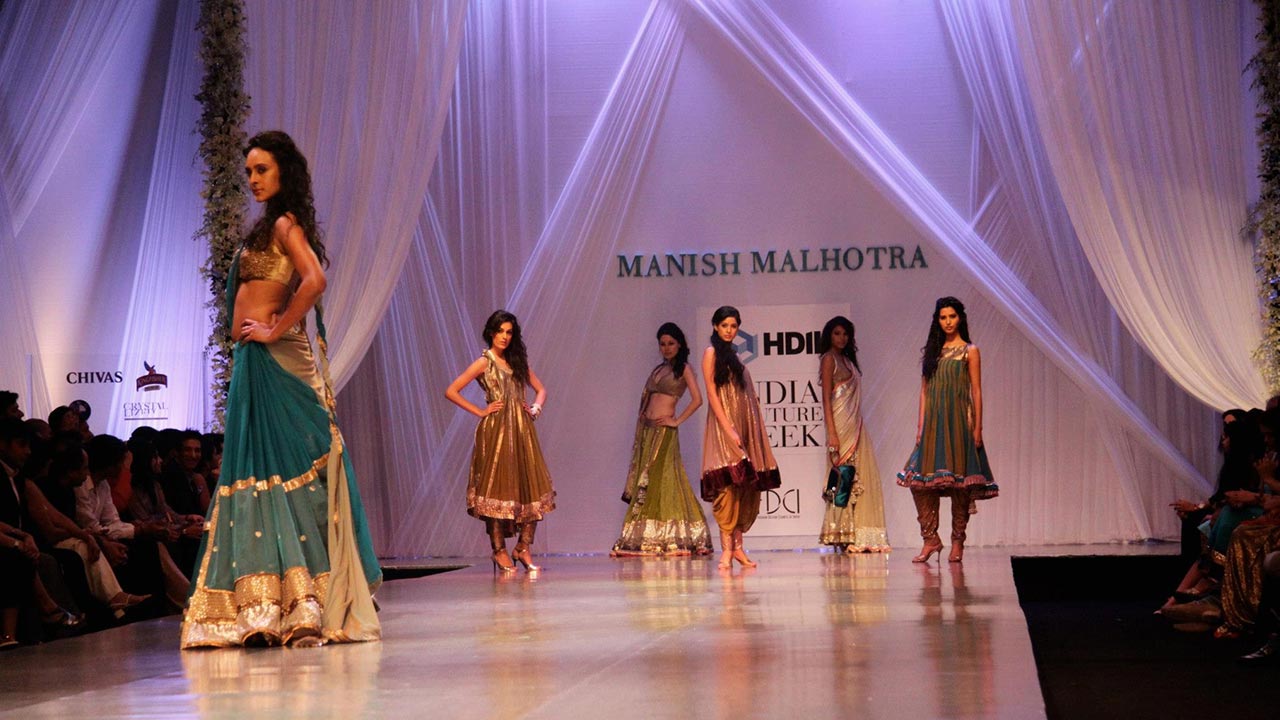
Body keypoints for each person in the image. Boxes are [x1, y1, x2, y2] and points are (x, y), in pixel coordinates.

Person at [182, 131, 381, 649]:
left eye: (262, 169)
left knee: (290, 472)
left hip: (277, 361)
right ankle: (265, 603)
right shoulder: (267, 226)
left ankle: (307, 599)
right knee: (258, 474)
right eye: (249, 171)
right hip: (253, 362)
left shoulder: (285, 225)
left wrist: (274, 329)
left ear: (283, 172)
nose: (252, 179)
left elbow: (314, 280)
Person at [446, 310, 555, 573]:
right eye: (500, 331)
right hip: (496, 432)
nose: (505, 337)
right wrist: (480, 411)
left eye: (509, 332)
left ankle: (523, 546)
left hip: (522, 432)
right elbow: (451, 390)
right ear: (491, 333)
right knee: (497, 489)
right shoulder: (485, 362)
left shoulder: (517, 362)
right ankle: (499, 550)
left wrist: (535, 408)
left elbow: (541, 389)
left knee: (530, 486)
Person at [897, 297, 997, 563]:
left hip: (960, 423)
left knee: (960, 485)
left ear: (960, 317)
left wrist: (978, 428)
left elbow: (976, 391)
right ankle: (930, 539)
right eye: (943, 317)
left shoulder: (970, 350)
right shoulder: (933, 352)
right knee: (919, 483)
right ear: (937, 320)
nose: (948, 322)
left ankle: (957, 541)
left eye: (952, 316)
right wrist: (920, 426)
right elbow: (924, 392)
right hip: (933, 424)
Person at [611, 323, 712, 557]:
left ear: (680, 344)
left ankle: (675, 536)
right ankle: (647, 536)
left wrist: (676, 421)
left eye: (671, 343)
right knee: (650, 481)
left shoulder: (683, 369)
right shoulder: (659, 369)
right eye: (663, 344)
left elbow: (698, 400)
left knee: (660, 479)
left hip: (664, 432)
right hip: (647, 431)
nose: (666, 348)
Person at [699, 306, 781, 569]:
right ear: (715, 326)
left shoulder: (734, 356)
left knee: (745, 485)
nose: (729, 330)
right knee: (727, 486)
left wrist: (750, 429)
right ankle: (725, 550)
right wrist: (728, 429)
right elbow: (711, 394)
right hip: (724, 427)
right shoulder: (711, 353)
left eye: (733, 326)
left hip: (745, 425)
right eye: (724, 325)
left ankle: (738, 548)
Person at [817, 316, 889, 554]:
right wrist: (832, 433)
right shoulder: (828, 359)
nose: (842, 338)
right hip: (839, 426)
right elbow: (826, 400)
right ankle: (839, 532)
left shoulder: (847, 360)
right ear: (829, 335)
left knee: (858, 477)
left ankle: (856, 533)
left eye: (845, 334)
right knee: (842, 476)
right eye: (837, 333)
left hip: (856, 425)